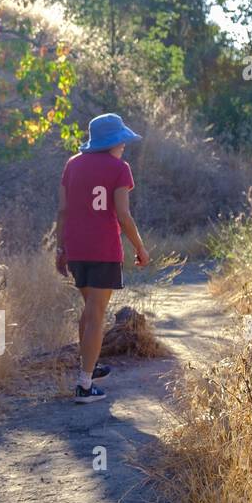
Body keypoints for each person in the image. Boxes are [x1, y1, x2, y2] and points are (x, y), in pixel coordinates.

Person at [54, 113, 150, 403]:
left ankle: (90, 367)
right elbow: (123, 215)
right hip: (103, 250)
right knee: (96, 314)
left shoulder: (72, 164)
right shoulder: (120, 169)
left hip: (76, 248)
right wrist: (140, 248)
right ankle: (84, 385)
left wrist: (60, 249)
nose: (123, 146)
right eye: (121, 141)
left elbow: (62, 211)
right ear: (112, 142)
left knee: (89, 311)